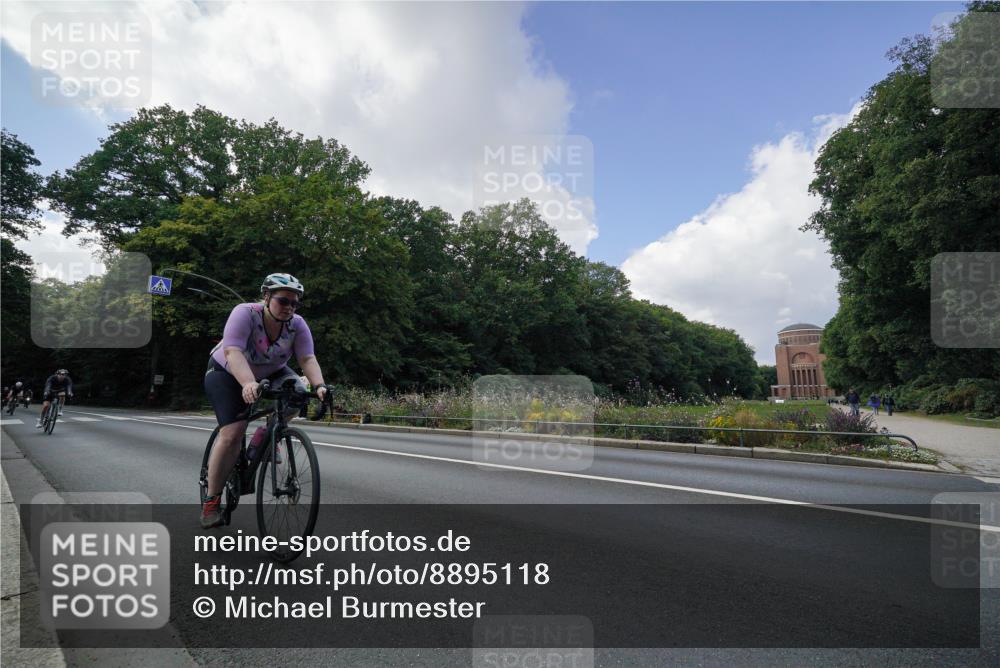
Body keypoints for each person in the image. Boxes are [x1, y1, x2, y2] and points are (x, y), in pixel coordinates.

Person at [201, 273, 329, 529]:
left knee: (298, 392)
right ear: (267, 297)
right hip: (227, 371)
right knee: (232, 433)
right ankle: (212, 501)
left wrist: (319, 385)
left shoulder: (297, 324)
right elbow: (232, 351)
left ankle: (267, 436)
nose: (289, 307)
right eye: (283, 301)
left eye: (294, 303)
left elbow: (307, 358)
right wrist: (247, 382)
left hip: (271, 371)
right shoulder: (245, 313)